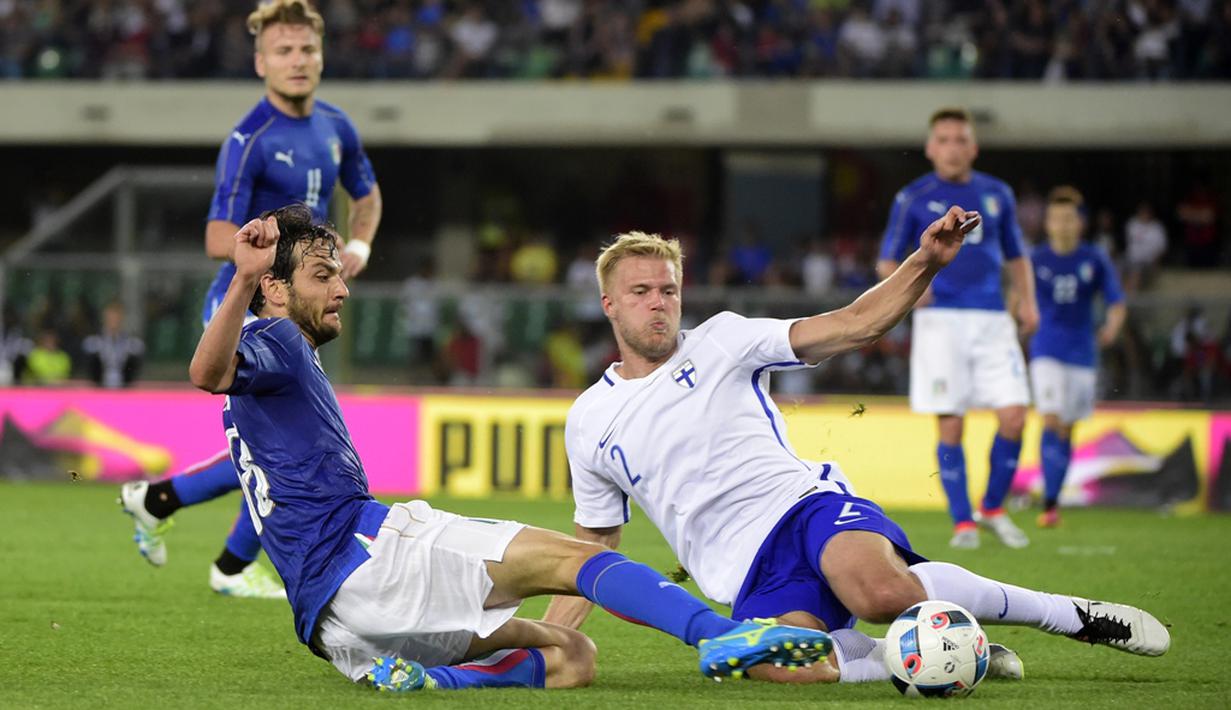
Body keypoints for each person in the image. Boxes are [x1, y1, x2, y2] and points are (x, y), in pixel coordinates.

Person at [186, 204, 832, 691]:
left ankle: (431, 681)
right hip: (369, 556)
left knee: (572, 657)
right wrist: (243, 278)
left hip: (332, 627)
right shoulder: (278, 339)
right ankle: (721, 634)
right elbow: (206, 374)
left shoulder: (267, 360)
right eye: (323, 276)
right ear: (274, 286)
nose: (342, 289)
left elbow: (219, 380)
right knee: (575, 557)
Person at [544, 222, 1169, 687]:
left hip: (802, 509)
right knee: (786, 670)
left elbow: (853, 324)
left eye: (668, 289)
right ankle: (941, 648)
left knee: (876, 593)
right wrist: (550, 639)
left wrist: (924, 262)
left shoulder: (724, 340)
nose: (659, 302)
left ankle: (1068, 615)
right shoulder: (589, 421)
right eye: (641, 292)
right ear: (609, 304)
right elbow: (594, 549)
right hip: (743, 574)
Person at [119, 0, 382, 598]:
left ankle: (168, 510)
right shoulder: (249, 138)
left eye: (307, 50)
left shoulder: (336, 125)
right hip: (246, 309)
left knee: (288, 445)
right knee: (293, 446)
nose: (297, 61)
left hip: (298, 305)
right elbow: (217, 234)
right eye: (284, 51)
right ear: (261, 62)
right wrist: (283, 250)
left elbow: (366, 193)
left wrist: (359, 243)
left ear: (321, 56)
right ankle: (221, 558)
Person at [876, 106, 1038, 550]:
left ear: (973, 147)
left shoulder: (996, 193)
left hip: (992, 319)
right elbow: (887, 259)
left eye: (960, 139)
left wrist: (1028, 301)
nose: (952, 147)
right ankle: (963, 522)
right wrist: (910, 290)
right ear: (931, 148)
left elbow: (1017, 255)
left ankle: (993, 507)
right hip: (940, 322)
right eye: (943, 140)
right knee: (951, 424)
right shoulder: (913, 196)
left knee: (1014, 415)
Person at [1029, 187, 1126, 528]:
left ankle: (1053, 499)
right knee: (1051, 418)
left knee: (1067, 427)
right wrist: (1017, 314)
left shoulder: (1094, 258)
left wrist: (1113, 326)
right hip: (1046, 349)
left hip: (1083, 353)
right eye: (1057, 218)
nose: (1063, 224)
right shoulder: (1035, 259)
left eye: (1069, 218)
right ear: (1048, 223)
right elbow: (1018, 295)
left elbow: (1116, 299)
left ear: (1080, 223)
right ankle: (1049, 503)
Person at [83, 301, 145, 389]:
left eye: (116, 317)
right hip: (99, 390)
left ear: (122, 318)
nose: (113, 321)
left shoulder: (132, 343)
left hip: (124, 391)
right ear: (104, 318)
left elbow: (135, 368)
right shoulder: (93, 342)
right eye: (111, 317)